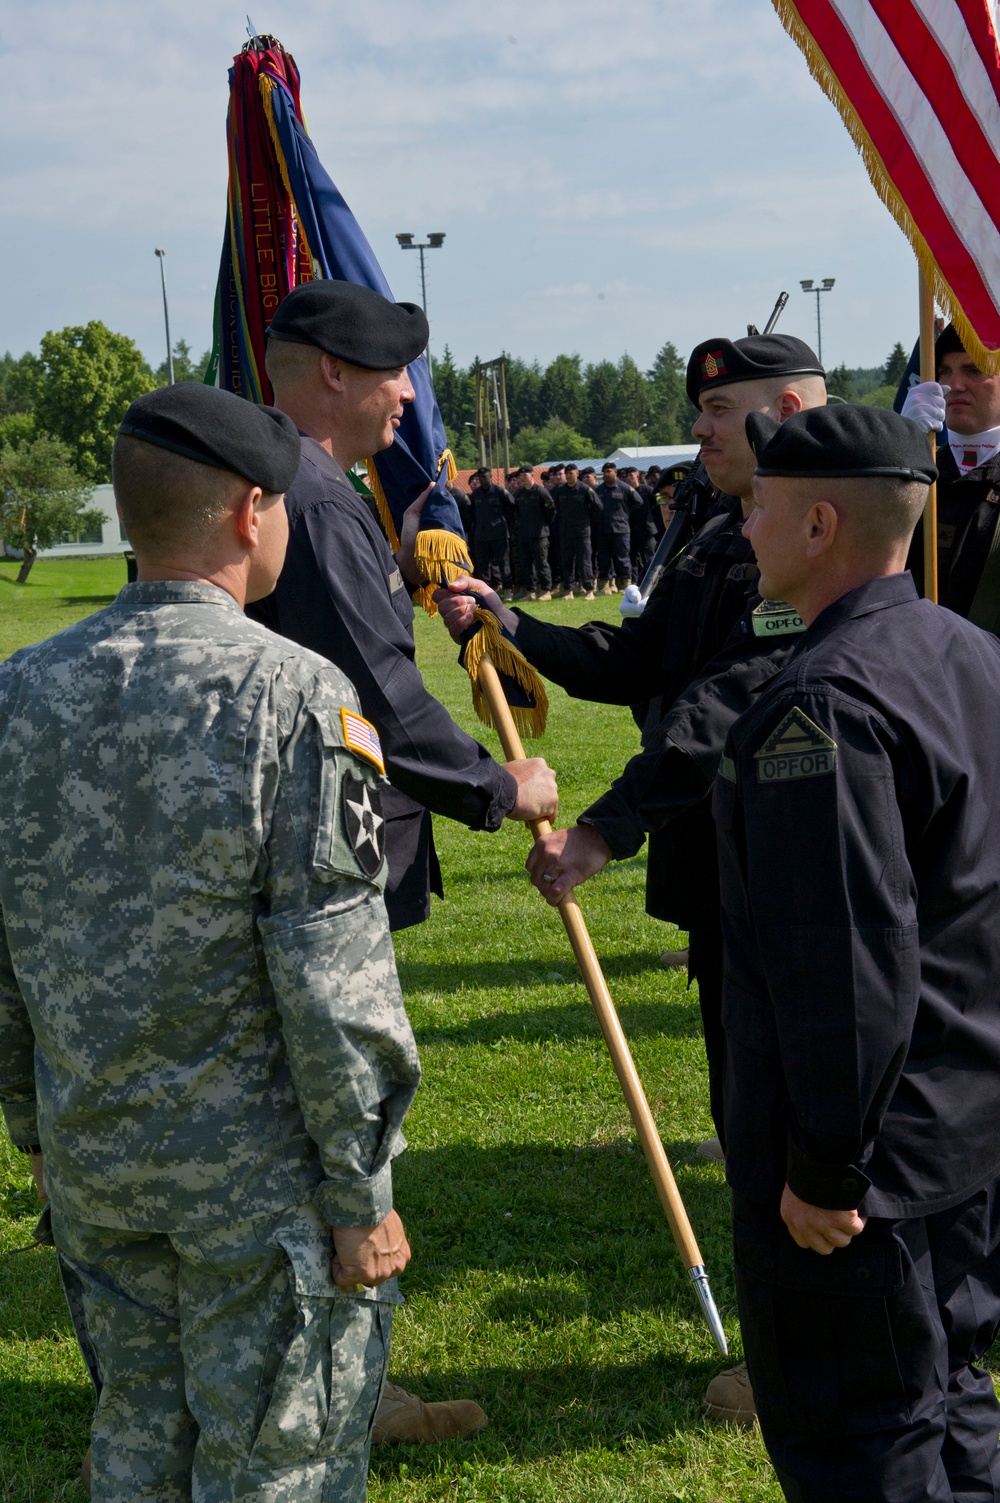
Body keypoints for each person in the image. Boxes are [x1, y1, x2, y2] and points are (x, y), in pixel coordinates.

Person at [0, 383, 424, 1502]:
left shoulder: (18, 693)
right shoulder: (291, 693)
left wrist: (29, 1122)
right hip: (260, 1188)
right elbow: (334, 980)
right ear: (250, 512)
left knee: (137, 1448)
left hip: (98, 1162)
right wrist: (360, 1190)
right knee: (279, 1464)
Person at [435, 333, 827, 1424]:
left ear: (788, 409)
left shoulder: (806, 537)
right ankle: (784, 1332)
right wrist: (512, 624)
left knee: (800, 1119)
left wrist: (603, 832)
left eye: (719, 409)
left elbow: (722, 705)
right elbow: (644, 662)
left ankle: (803, 1348)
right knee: (744, 1102)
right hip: (723, 866)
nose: (698, 427)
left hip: (799, 868)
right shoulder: (715, 526)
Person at [717, 401, 1000, 1500]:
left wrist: (823, 1165)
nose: (745, 531)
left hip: (867, 1167)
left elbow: (845, 960)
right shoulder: (968, 653)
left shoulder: (824, 701)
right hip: (963, 1120)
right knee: (953, 1401)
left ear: (820, 524)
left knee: (864, 1437)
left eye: (761, 509)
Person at [247, 281, 556, 940]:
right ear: (334, 371)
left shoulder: (295, 482)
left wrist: (397, 567)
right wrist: (498, 786)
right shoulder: (320, 503)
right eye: (393, 373)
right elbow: (375, 698)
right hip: (329, 849)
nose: (408, 394)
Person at [901, 321, 1000, 630]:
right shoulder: (915, 471)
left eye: (974, 370)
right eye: (943, 371)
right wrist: (900, 454)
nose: (954, 385)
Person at [552, 461, 602, 599]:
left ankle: (589, 589)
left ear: (577, 474)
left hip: (582, 532)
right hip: (566, 532)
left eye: (571, 473)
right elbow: (554, 508)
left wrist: (586, 520)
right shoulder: (560, 491)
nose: (568, 476)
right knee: (567, 561)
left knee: (584, 561)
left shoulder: (585, 489)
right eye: (566, 473)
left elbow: (598, 507)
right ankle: (569, 591)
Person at [594, 460, 643, 593]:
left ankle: (625, 583)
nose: (606, 474)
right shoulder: (598, 490)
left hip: (620, 529)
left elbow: (638, 502)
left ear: (615, 473)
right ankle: (605, 585)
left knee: (622, 558)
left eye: (609, 471)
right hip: (603, 530)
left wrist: (625, 513)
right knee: (603, 558)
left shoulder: (624, 488)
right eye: (604, 472)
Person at [468, 466, 516, 595]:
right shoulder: (476, 494)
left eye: (486, 477)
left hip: (499, 534)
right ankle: (486, 591)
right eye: (481, 477)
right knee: (483, 565)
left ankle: (508, 589)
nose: (483, 479)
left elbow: (511, 508)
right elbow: (471, 514)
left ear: (491, 477)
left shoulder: (499, 491)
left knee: (503, 563)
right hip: (481, 535)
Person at [512, 465, 555, 601]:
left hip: (539, 534)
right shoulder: (519, 494)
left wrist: (543, 525)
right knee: (525, 564)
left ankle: (545, 590)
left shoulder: (541, 492)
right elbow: (516, 513)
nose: (522, 478)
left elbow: (551, 511)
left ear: (532, 475)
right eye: (521, 476)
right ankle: (530, 591)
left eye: (525, 475)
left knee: (541, 562)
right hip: (524, 534)